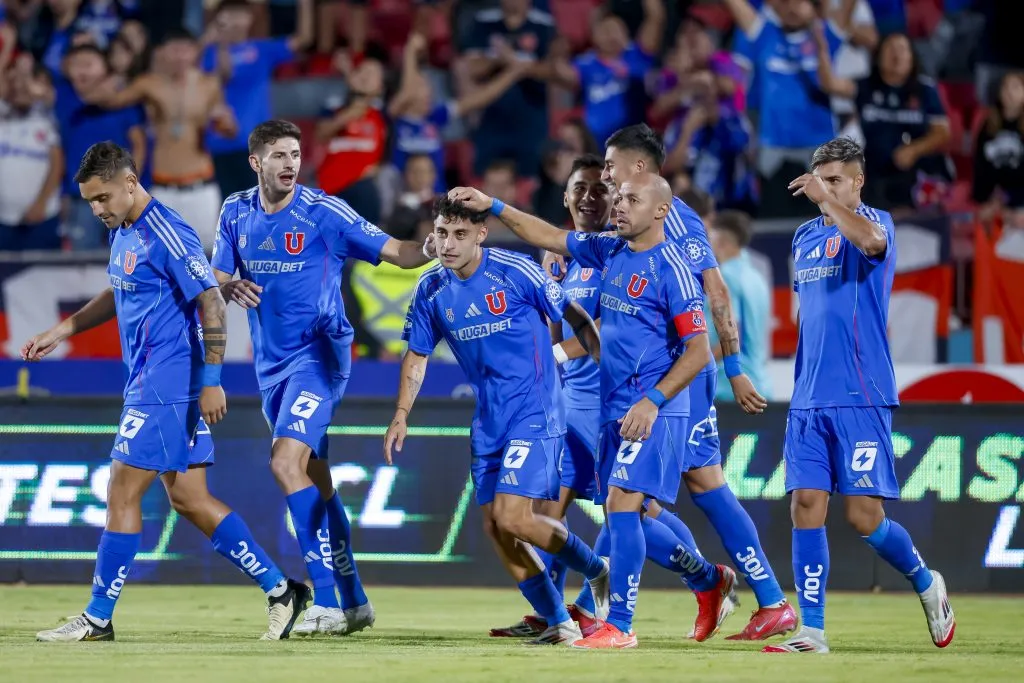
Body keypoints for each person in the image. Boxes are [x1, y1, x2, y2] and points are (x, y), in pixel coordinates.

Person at [25, 142, 308, 642]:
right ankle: (282, 591)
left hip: (167, 384)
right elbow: (120, 287)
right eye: (90, 201)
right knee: (191, 500)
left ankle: (97, 618)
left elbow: (211, 302)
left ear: (130, 183)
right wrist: (63, 329)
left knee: (121, 491)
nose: (97, 209)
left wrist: (212, 382)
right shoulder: (123, 229)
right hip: (154, 381)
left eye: (103, 198)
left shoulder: (167, 231)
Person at [452, 174, 735, 649]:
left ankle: (619, 624)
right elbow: (548, 234)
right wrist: (493, 205)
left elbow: (699, 351)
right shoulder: (610, 250)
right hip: (614, 406)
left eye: (631, 199)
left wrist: (653, 401)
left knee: (623, 506)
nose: (619, 205)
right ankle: (707, 579)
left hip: (655, 407)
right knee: (627, 513)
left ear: (661, 210)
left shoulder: (674, 269)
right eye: (619, 198)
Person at [551, 124, 794, 640]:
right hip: (651, 377)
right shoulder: (627, 220)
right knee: (678, 492)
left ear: (639, 167)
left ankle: (620, 606)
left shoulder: (673, 217)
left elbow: (714, 290)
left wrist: (733, 367)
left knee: (651, 497)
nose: (606, 175)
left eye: (611, 166)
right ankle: (753, 594)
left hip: (675, 375)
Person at [210, 119, 437, 636]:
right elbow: (217, 279)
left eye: (295, 154)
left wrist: (431, 247)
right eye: (279, 155)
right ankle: (355, 601)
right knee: (317, 481)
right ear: (256, 162)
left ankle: (328, 601)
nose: (290, 164)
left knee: (284, 462)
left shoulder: (324, 212)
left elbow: (397, 252)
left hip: (319, 356)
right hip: (271, 368)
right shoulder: (235, 211)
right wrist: (228, 287)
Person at [386, 194, 611, 646]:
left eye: (460, 234)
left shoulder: (516, 271)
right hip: (489, 420)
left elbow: (576, 317)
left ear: (481, 235)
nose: (449, 244)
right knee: (495, 527)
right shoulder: (430, 289)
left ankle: (596, 570)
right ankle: (558, 621)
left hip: (536, 410)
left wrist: (607, 373)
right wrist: (401, 414)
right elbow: (417, 355)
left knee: (514, 517)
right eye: (442, 233)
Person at [766, 137, 955, 653]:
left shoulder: (876, 224)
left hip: (860, 393)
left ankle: (926, 582)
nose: (825, 190)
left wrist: (827, 201)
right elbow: (810, 313)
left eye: (835, 181)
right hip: (808, 397)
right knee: (806, 503)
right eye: (820, 180)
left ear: (858, 181)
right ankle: (812, 631)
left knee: (863, 517)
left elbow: (871, 244)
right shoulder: (805, 236)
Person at [489, 153, 611, 639]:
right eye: (580, 188)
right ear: (565, 197)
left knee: (635, 511)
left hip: (608, 400)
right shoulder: (562, 258)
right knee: (544, 512)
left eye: (600, 188)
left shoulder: (617, 250)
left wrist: (554, 356)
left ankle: (706, 578)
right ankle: (555, 615)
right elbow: (555, 323)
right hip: (568, 399)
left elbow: (609, 327)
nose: (589, 197)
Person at [86, 28, 238, 252]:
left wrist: (225, 124)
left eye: (185, 50)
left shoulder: (209, 84)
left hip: (202, 186)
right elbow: (102, 99)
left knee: (205, 256)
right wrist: (118, 73)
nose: (180, 57)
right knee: (157, 257)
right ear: (162, 53)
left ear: (195, 52)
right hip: (163, 188)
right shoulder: (149, 84)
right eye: (174, 50)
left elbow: (230, 130)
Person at [707, 210, 771, 403]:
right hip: (759, 384)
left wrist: (693, 366)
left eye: (710, 236)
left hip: (730, 390)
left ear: (721, 241)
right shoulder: (756, 277)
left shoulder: (726, 277)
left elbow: (732, 334)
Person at [0, 59, 63, 251]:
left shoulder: (47, 117)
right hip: (3, 219)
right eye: (14, 82)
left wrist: (41, 203)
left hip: (42, 216)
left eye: (25, 82)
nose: (20, 87)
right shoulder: (3, 116)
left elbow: (57, 164)